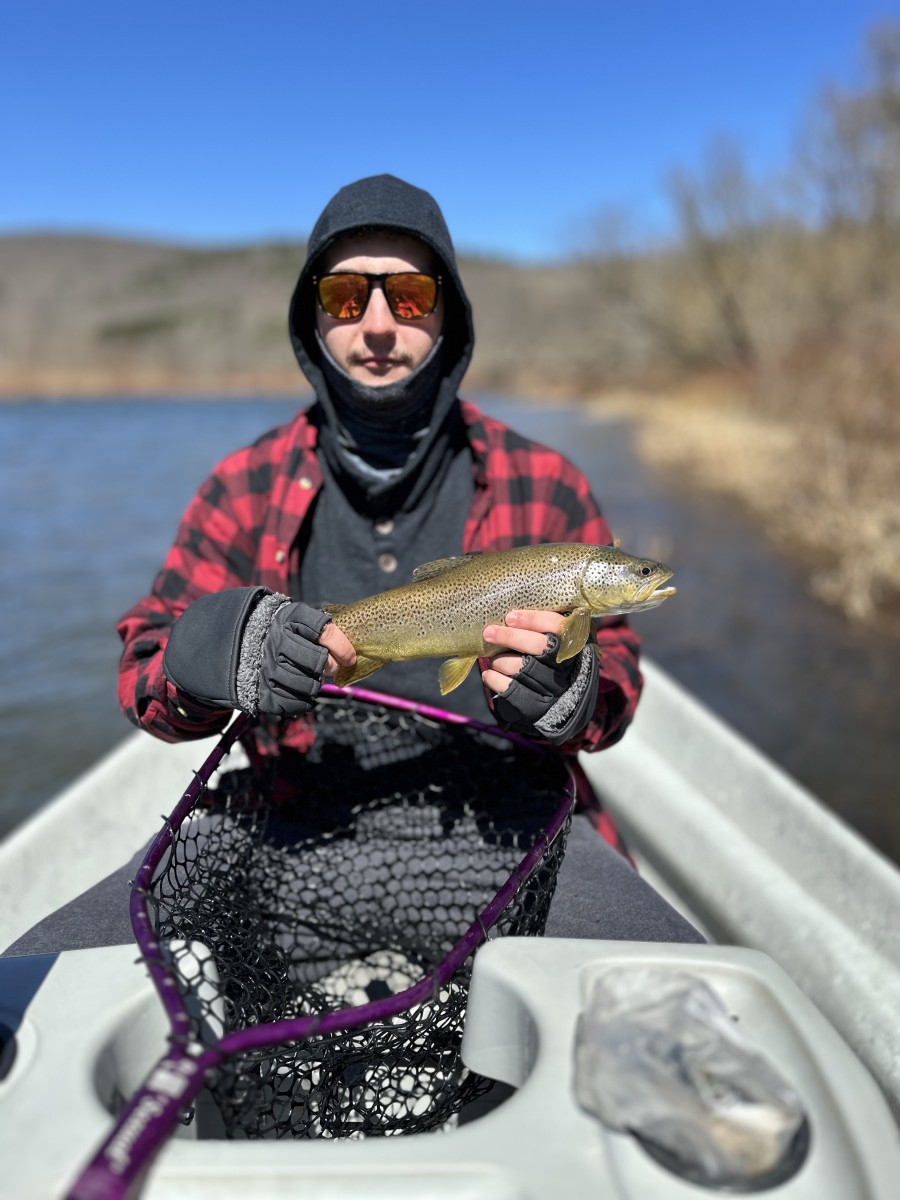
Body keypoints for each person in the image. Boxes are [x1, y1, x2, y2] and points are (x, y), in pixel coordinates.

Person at [4, 175, 701, 957]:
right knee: (41, 977)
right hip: (288, 818)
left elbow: (618, 689)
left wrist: (573, 698)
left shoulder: (547, 486)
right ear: (314, 318)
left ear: (448, 315)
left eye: (407, 295)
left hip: (514, 820)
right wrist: (209, 655)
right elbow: (143, 679)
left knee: (680, 1002)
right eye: (344, 297)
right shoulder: (244, 484)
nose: (376, 326)